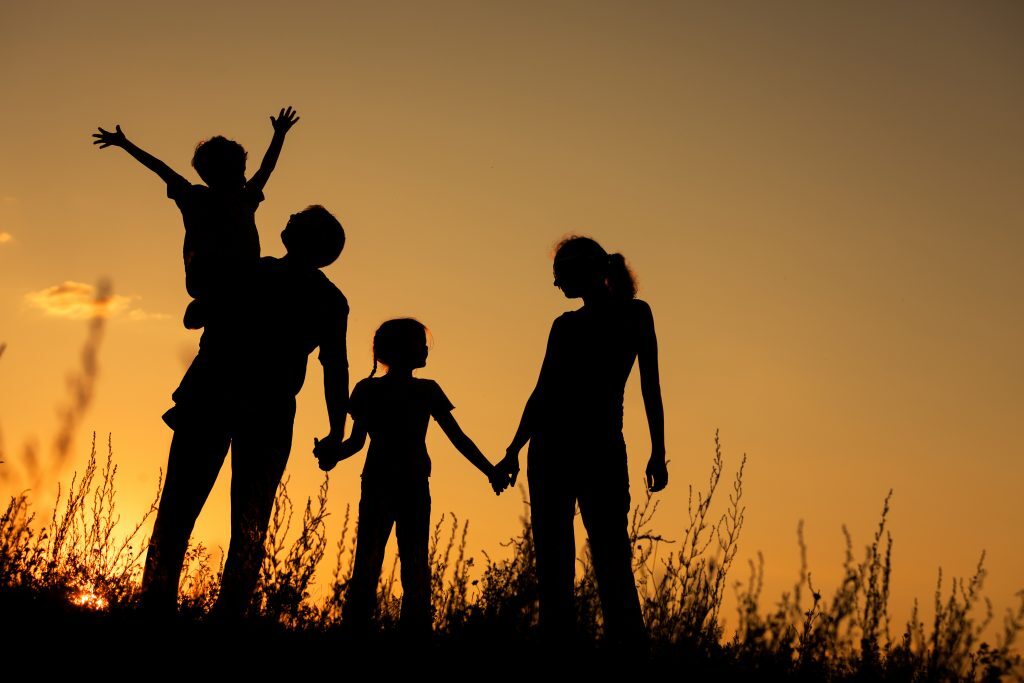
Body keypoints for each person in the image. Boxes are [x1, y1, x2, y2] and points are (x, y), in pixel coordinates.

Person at [140, 205, 349, 618]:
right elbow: (335, 367)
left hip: (212, 397)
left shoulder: (251, 271)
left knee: (179, 509)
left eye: (297, 221)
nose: (287, 220)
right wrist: (336, 430)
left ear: (302, 237)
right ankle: (229, 614)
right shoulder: (328, 298)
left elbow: (193, 316)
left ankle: (154, 608)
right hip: (266, 410)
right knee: (250, 521)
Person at [496, 236, 668, 645]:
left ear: (584, 272)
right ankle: (566, 647)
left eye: (559, 276)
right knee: (559, 563)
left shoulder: (634, 315)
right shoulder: (566, 325)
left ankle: (626, 646)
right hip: (561, 450)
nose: (556, 285)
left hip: (593, 449)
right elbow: (542, 393)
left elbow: (651, 388)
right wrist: (513, 449)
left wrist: (659, 452)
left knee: (609, 558)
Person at [316, 318, 508, 636]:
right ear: (403, 350)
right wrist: (491, 471)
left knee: (379, 561)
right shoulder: (420, 391)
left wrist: (332, 455)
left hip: (395, 483)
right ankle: (406, 633)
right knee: (406, 563)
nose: (426, 350)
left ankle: (367, 629)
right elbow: (457, 438)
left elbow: (355, 443)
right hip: (404, 485)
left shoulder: (378, 390)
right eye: (421, 344)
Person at [92, 107, 300, 329]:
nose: (245, 175)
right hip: (238, 284)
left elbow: (160, 168)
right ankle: (213, 308)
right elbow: (266, 169)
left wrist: (125, 144)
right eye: (240, 170)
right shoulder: (240, 198)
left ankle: (208, 308)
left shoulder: (194, 197)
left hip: (213, 285)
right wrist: (279, 135)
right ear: (230, 172)